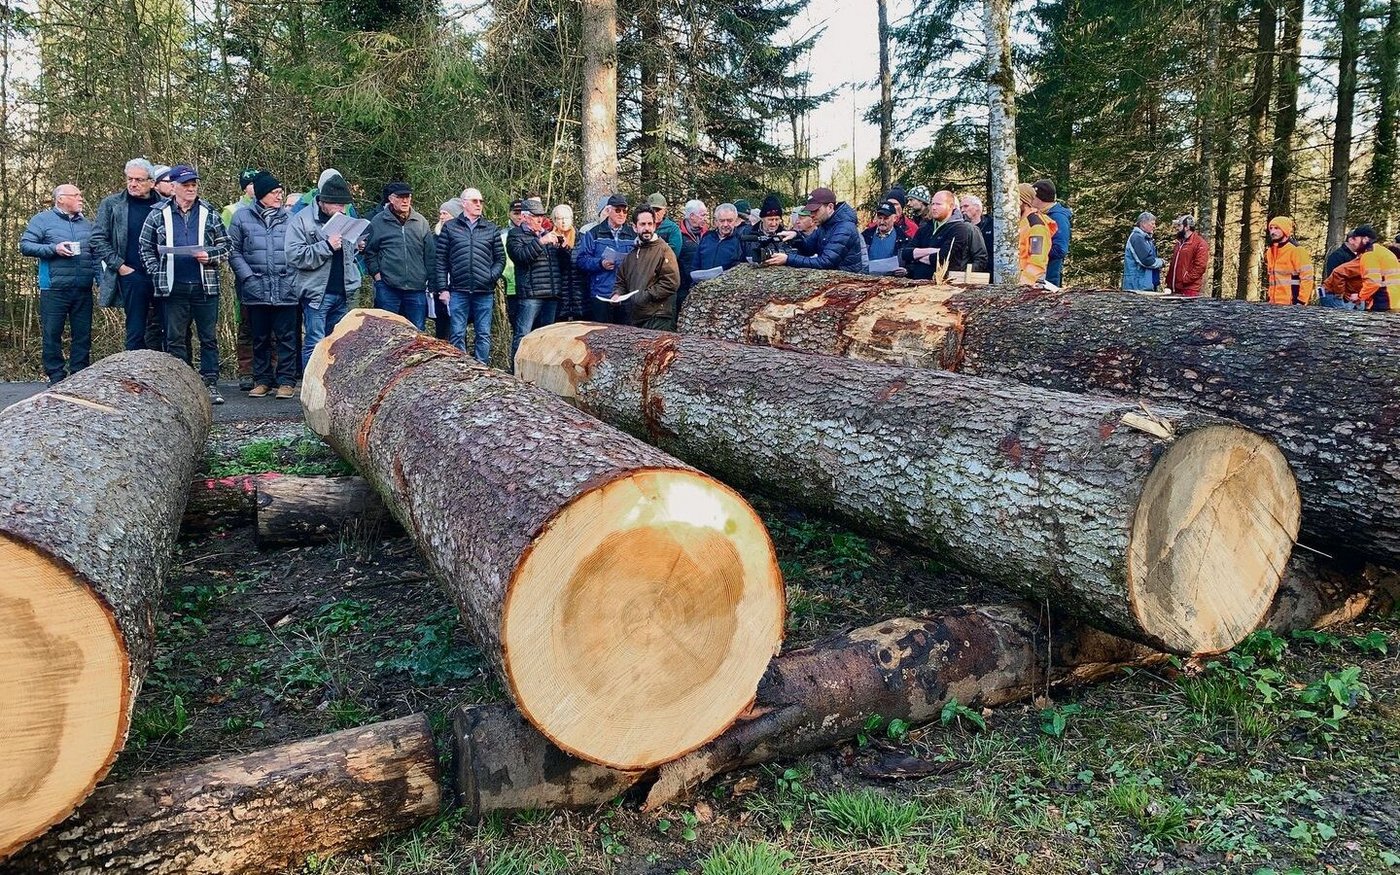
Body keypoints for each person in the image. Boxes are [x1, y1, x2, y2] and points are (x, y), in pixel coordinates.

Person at [138, 165, 231, 403]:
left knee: (208, 337)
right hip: (172, 285)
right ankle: (181, 386)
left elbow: (227, 245)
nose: (191, 189)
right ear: (174, 187)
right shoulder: (158, 214)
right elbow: (145, 247)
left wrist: (210, 255)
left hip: (204, 285)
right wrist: (156, 271)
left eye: (194, 185)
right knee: (174, 338)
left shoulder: (209, 212)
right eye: (186, 185)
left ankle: (210, 384)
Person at [228, 172, 299, 398]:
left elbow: (299, 250)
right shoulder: (241, 218)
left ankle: (286, 381)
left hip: (285, 287)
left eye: (280, 192)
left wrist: (292, 277)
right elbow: (233, 251)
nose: (279, 196)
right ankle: (262, 380)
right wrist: (247, 277)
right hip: (255, 288)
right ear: (261, 195)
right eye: (274, 192)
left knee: (287, 338)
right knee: (260, 338)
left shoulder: (291, 219)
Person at [20, 183, 96, 386]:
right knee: (52, 334)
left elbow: (96, 253)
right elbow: (25, 246)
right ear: (61, 199)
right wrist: (54, 248)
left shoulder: (87, 224)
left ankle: (79, 375)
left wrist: (100, 280)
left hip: (83, 288)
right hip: (54, 288)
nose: (80, 198)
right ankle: (56, 377)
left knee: (83, 334)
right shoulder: (42, 220)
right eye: (76, 195)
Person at [287, 173, 362, 368]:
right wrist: (326, 246)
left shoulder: (344, 218)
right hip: (317, 293)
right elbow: (294, 256)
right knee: (315, 343)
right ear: (324, 202)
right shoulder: (301, 220)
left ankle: (332, 385)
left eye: (345, 205)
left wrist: (356, 245)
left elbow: (347, 255)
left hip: (343, 291)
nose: (343, 209)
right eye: (339, 205)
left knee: (339, 344)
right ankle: (311, 385)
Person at [89, 158, 161, 351]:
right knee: (135, 330)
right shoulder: (112, 204)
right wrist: (120, 266)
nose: (133, 184)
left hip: (162, 274)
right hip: (131, 274)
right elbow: (97, 238)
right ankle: (133, 368)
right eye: (130, 179)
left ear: (152, 183)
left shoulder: (165, 205)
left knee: (166, 328)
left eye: (139, 180)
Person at [436, 186, 505, 361]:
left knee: (483, 334)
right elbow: (441, 260)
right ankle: (460, 369)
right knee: (457, 333)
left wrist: (490, 277)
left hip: (484, 291)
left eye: (481, 201)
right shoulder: (450, 228)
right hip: (458, 290)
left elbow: (500, 259)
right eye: (475, 201)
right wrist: (443, 289)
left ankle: (482, 368)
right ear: (464, 203)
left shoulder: (491, 228)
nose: (479, 204)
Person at [364, 181, 435, 331]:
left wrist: (429, 280)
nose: (405, 201)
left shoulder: (420, 222)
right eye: (401, 197)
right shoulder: (378, 221)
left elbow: (430, 255)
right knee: (386, 332)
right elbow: (370, 252)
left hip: (416, 288)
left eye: (408, 197)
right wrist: (377, 276)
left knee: (417, 332)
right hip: (388, 287)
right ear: (391, 198)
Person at [507, 197, 563, 358]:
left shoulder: (548, 234)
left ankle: (540, 368)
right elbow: (521, 257)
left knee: (548, 336)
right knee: (523, 334)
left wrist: (563, 248)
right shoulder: (515, 235)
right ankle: (516, 368)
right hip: (530, 294)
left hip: (551, 294)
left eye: (542, 216)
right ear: (525, 217)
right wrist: (541, 242)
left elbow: (561, 264)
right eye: (535, 216)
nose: (540, 219)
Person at [610, 206, 680, 330]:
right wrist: (617, 294)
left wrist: (646, 296)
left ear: (654, 226)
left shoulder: (664, 250)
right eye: (642, 224)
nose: (647, 228)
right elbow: (621, 281)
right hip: (636, 318)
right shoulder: (631, 255)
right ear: (635, 227)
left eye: (650, 224)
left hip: (659, 317)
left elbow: (671, 282)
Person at [766, 187, 862, 272]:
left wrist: (787, 259)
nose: (812, 214)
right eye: (811, 211)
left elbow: (826, 262)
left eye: (816, 210)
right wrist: (796, 237)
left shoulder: (845, 228)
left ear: (830, 207)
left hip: (849, 282)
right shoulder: (825, 225)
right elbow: (808, 250)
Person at [575, 193, 638, 324]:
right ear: (608, 210)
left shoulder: (633, 235)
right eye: (618, 210)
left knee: (626, 333)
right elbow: (581, 260)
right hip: (601, 294)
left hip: (626, 294)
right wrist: (600, 263)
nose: (622, 214)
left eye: (625, 211)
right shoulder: (593, 233)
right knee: (601, 333)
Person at [903, 190, 988, 279]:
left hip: (947, 283)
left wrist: (916, 257)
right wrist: (932, 251)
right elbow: (905, 253)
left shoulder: (961, 228)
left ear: (951, 206)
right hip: (919, 282)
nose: (934, 207)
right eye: (932, 204)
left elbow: (944, 258)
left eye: (938, 204)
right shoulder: (925, 227)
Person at [1321, 226, 1400, 311]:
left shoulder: (1369, 254)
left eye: (1355, 239)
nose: (1353, 242)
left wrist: (1359, 296)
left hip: (1383, 301)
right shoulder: (1383, 252)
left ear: (1365, 239)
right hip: (1392, 301)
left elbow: (1373, 283)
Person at [1263, 216, 1315, 305]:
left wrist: (1301, 302)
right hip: (1273, 304)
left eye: (1276, 228)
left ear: (1285, 230)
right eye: (1271, 228)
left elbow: (1307, 278)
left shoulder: (1296, 250)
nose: (1272, 232)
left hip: (1292, 304)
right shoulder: (1270, 251)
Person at [1031, 179, 1071, 285]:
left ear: (1039, 198)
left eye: (1032, 196)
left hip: (1049, 277)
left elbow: (1060, 249)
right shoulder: (1041, 214)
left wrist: (1035, 251)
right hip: (1038, 275)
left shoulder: (1058, 217)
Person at [551, 204, 586, 321]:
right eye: (559, 218)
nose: (563, 221)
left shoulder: (582, 238)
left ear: (571, 219)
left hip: (580, 296)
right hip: (559, 296)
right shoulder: (549, 240)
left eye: (566, 218)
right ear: (554, 221)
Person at [1162, 215, 1209, 296]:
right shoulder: (1179, 242)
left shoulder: (1200, 243)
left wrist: (1185, 279)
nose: (1177, 228)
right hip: (1174, 288)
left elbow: (1200, 267)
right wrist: (1169, 281)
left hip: (1189, 289)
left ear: (1187, 227)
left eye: (1179, 225)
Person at [693, 203, 746, 274]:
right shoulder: (707, 237)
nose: (725, 224)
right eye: (722, 221)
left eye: (729, 221)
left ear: (736, 221)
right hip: (703, 280)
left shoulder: (740, 240)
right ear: (716, 221)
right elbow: (696, 264)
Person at [1017, 183, 1052, 285]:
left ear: (1021, 202)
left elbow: (1037, 262)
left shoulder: (1037, 227)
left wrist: (1023, 283)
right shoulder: (1019, 224)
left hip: (1029, 284)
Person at [1122, 212, 1164, 292]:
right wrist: (1161, 262)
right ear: (1143, 224)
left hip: (1144, 284)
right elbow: (1146, 261)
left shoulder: (1145, 238)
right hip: (1137, 285)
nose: (1154, 226)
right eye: (1152, 223)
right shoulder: (1137, 238)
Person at [648, 193, 683, 260]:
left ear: (664, 210)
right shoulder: (642, 227)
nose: (654, 213)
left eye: (658, 210)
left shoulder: (672, 228)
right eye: (651, 210)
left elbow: (673, 254)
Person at [959, 193, 994, 258]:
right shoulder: (960, 228)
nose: (962, 210)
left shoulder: (992, 224)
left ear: (977, 207)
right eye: (961, 207)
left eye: (966, 206)